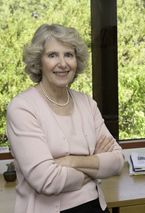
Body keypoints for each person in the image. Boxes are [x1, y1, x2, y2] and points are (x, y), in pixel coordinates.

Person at [6, 23, 124, 213]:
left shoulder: (87, 103)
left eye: (68, 55)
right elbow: (47, 180)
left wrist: (69, 161)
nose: (62, 63)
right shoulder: (22, 108)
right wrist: (95, 164)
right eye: (52, 55)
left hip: (95, 207)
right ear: (39, 61)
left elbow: (117, 161)